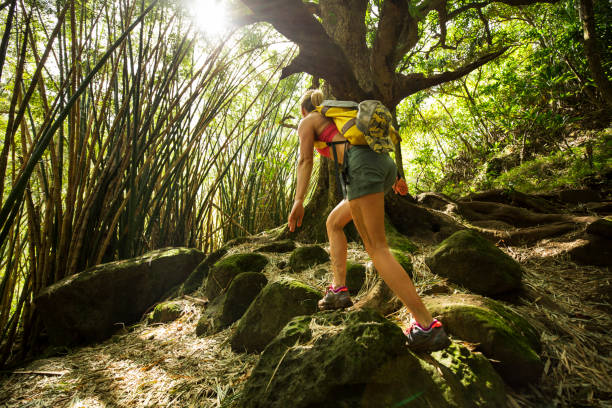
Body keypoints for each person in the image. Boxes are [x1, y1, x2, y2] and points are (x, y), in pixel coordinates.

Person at [287, 89, 450, 352]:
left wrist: (298, 201)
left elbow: (305, 159)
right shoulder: (339, 117)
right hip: (381, 164)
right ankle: (339, 290)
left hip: (360, 166)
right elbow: (369, 143)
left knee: (377, 249)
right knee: (334, 222)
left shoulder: (309, 120)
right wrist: (395, 176)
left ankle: (426, 325)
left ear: (304, 110)